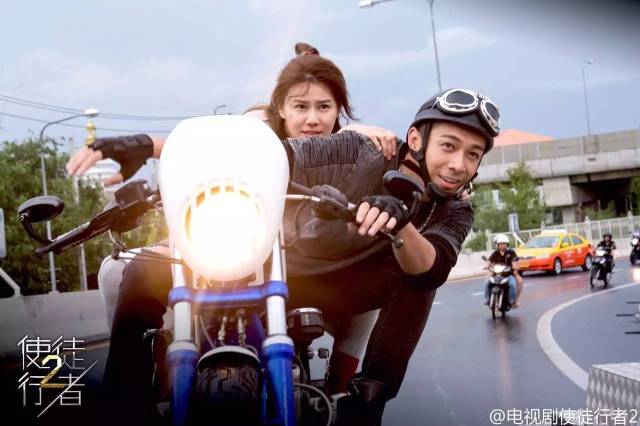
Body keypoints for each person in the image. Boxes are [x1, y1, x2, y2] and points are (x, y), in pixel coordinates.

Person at [483, 233, 519, 308]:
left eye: (504, 244)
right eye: (501, 244)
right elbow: (489, 261)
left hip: (508, 274)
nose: (502, 245)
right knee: (487, 282)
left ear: (507, 244)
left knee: (512, 284)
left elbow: (514, 261)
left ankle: (512, 301)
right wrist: (487, 266)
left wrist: (514, 267)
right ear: (498, 245)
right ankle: (488, 299)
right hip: (496, 274)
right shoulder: (495, 253)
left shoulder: (511, 252)